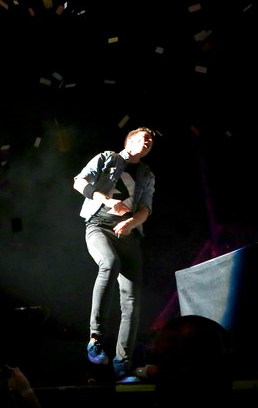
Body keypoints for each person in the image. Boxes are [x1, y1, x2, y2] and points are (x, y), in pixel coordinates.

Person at [72, 125, 156, 384]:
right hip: (99, 225)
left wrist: (131, 222)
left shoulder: (146, 174)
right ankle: (96, 338)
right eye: (143, 138)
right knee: (109, 262)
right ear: (130, 141)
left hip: (128, 234)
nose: (148, 142)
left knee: (131, 299)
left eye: (150, 142)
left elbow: (146, 209)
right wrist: (107, 201)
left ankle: (123, 364)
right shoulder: (107, 158)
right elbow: (79, 181)